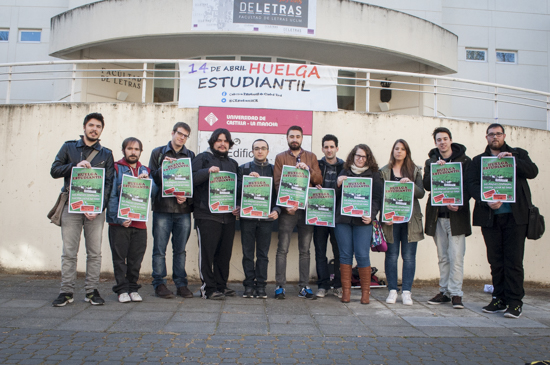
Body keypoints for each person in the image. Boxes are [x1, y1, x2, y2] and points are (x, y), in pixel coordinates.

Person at [466, 123, 538, 319]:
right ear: (486, 137)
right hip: (490, 218)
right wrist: (485, 199)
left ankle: (515, 302)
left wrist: (513, 161)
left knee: (513, 261)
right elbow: (471, 184)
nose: (495, 137)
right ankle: (499, 298)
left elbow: (533, 171)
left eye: (498, 134)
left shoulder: (518, 154)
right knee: (496, 261)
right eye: (491, 134)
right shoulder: (478, 160)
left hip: (516, 218)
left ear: (504, 136)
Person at [50, 112, 114, 307]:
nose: (94, 129)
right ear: (84, 127)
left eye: (98, 127)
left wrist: (98, 207)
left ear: (101, 130)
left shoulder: (106, 154)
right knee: (69, 252)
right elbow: (54, 170)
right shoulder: (69, 147)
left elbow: (108, 185)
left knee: (94, 252)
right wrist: (74, 166)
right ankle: (66, 291)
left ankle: (91, 291)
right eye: (91, 125)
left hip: (95, 211)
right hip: (72, 206)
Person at [423, 127, 471, 309]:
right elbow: (427, 185)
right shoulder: (431, 161)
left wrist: (460, 202)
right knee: (443, 257)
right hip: (438, 216)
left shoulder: (465, 161)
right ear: (435, 142)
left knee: (456, 256)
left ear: (451, 140)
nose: (442, 142)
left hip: (457, 217)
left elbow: (469, 187)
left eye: (445, 139)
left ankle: (456, 294)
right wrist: (436, 170)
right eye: (438, 140)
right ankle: (444, 292)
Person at [273, 126, 322, 299]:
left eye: (298, 136)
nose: (295, 139)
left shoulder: (311, 157)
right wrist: (286, 205)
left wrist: (308, 169)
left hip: (307, 209)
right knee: (282, 249)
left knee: (305, 250)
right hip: (288, 211)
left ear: (302, 138)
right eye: (291, 136)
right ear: (287, 138)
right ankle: (280, 286)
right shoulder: (280, 158)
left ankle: (304, 286)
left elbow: (318, 180)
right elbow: (277, 183)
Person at [149, 122, 196, 299]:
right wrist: (163, 168)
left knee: (180, 250)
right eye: (179, 133)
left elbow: (193, 182)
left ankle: (181, 284)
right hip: (162, 208)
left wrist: (187, 197)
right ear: (173, 132)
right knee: (159, 249)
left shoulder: (191, 155)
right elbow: (151, 178)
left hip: (183, 210)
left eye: (185, 135)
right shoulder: (158, 153)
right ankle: (159, 284)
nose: (181, 137)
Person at [192, 128, 239, 300]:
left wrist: (239, 205)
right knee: (207, 254)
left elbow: (239, 188)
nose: (222, 143)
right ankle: (208, 289)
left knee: (224, 254)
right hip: (207, 215)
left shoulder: (233, 164)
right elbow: (192, 179)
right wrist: (207, 172)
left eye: (226, 141)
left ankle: (221, 285)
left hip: (228, 217)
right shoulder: (202, 158)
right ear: (213, 142)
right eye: (219, 140)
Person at [334, 144, 383, 304]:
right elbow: (335, 196)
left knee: (362, 255)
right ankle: (346, 292)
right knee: (345, 255)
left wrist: (372, 215)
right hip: (343, 220)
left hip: (363, 221)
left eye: (364, 156)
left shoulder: (374, 174)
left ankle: (365, 292)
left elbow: (377, 199)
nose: (360, 159)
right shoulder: (344, 171)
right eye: (358, 156)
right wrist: (338, 184)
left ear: (368, 158)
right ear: (352, 156)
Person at [380, 139, 425, 306]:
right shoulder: (384, 171)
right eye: (396, 148)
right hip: (391, 220)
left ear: (407, 152)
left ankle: (406, 291)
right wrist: (385, 216)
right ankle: (392, 290)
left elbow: (421, 193)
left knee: (409, 257)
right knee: (391, 256)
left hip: (410, 221)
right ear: (392, 151)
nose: (399, 151)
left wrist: (411, 185)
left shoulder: (415, 170)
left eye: (402, 149)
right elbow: (380, 196)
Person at [107, 137, 150, 303]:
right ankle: (122, 290)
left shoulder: (145, 169)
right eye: (130, 148)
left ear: (140, 152)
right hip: (120, 223)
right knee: (119, 259)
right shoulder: (116, 168)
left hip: (139, 224)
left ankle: (133, 288)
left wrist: (148, 182)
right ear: (124, 150)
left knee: (135, 260)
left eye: (137, 149)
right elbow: (111, 196)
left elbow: (152, 194)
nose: (133, 152)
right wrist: (118, 219)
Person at [237, 139, 281, 299]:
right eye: (256, 148)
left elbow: (279, 194)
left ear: (268, 151)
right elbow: (235, 192)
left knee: (263, 254)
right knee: (247, 253)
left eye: (263, 148)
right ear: (252, 151)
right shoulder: (244, 168)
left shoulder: (274, 170)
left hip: (266, 219)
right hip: (248, 218)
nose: (260, 151)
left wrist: (277, 209)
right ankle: (248, 285)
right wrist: (247, 180)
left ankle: (261, 286)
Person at [314, 134, 344, 298]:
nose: (329, 149)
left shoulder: (345, 167)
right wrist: (313, 185)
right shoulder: (317, 165)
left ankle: (338, 285)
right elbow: (308, 185)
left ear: (337, 148)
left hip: (338, 216)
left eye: (332, 146)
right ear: (322, 148)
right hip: (319, 215)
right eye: (326, 147)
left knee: (339, 251)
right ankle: (322, 285)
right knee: (320, 251)